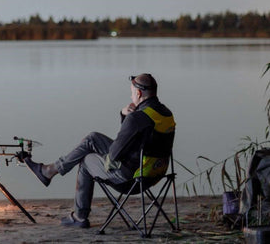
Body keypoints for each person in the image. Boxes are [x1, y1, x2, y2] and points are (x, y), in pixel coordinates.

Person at [25, 73, 176, 228]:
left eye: (131, 93)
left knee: (85, 160)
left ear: (138, 93)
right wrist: (124, 115)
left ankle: (79, 216)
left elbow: (114, 154)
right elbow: (138, 141)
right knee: (93, 138)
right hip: (154, 174)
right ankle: (50, 170)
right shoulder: (165, 114)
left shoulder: (137, 118)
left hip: (130, 179)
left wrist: (127, 119)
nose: (131, 97)